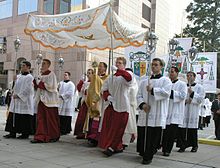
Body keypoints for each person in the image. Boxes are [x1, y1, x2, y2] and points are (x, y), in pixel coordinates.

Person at [136, 58, 172, 165]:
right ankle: (143, 152)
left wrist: (152, 90)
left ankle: (149, 156)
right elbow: (138, 95)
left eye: (156, 65)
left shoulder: (165, 80)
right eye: (152, 64)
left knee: (153, 135)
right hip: (145, 112)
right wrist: (142, 104)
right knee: (143, 134)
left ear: (161, 66)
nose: (154, 66)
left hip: (157, 112)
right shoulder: (144, 81)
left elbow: (166, 93)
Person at [99, 57, 133, 157]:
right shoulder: (111, 77)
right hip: (111, 105)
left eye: (120, 63)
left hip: (122, 105)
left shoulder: (127, 74)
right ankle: (115, 146)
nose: (118, 64)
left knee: (119, 127)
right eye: (117, 63)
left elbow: (129, 79)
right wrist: (108, 97)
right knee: (110, 127)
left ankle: (112, 147)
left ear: (124, 65)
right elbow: (103, 89)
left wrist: (119, 71)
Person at [31, 59, 60, 143]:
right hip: (41, 99)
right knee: (41, 119)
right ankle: (40, 136)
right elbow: (37, 87)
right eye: (42, 63)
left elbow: (52, 87)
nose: (42, 65)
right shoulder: (40, 75)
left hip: (50, 101)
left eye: (44, 64)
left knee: (50, 119)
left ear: (48, 65)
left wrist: (40, 83)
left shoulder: (52, 74)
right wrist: (35, 82)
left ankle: (53, 135)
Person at [4, 61, 34, 139]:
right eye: (21, 65)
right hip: (16, 100)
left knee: (23, 117)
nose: (21, 67)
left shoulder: (30, 77)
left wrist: (19, 96)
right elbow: (15, 87)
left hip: (24, 101)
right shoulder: (19, 76)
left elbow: (28, 89)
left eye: (23, 65)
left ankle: (25, 134)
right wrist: (14, 81)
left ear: (28, 67)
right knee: (14, 115)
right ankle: (12, 132)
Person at [161, 66, 187, 157]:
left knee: (171, 133)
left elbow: (183, 96)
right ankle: (163, 147)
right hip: (166, 110)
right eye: (169, 72)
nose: (170, 73)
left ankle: (168, 149)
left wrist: (170, 92)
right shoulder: (166, 83)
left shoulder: (182, 84)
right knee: (164, 132)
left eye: (172, 72)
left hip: (175, 111)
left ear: (177, 73)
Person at [177, 71, 205, 152]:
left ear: (194, 77)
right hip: (184, 110)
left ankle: (194, 145)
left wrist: (192, 94)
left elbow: (200, 99)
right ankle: (183, 145)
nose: (189, 77)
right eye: (188, 76)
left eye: (191, 75)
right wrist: (184, 100)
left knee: (192, 130)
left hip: (193, 110)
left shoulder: (199, 87)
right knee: (182, 129)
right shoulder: (183, 86)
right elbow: (180, 96)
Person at [86, 62, 108, 147]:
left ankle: (98, 138)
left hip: (102, 101)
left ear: (105, 69)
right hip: (95, 100)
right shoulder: (95, 77)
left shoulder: (107, 77)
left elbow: (104, 86)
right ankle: (92, 137)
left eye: (101, 66)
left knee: (100, 119)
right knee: (94, 119)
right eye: (99, 66)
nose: (99, 68)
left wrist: (96, 78)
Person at [73, 69, 93, 139]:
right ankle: (80, 133)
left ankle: (88, 133)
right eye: (87, 73)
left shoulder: (94, 83)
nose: (88, 75)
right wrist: (81, 81)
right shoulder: (85, 83)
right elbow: (79, 89)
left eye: (90, 73)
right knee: (81, 118)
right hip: (84, 102)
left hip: (90, 103)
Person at [122, 68, 138, 149]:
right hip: (121, 105)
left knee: (128, 124)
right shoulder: (123, 81)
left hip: (129, 106)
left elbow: (134, 93)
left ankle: (126, 142)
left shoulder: (134, 83)